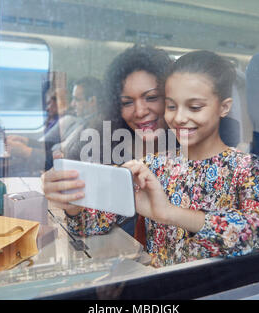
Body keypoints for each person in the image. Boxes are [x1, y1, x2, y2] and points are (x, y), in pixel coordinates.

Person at [47, 50, 259, 268]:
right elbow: (93, 224)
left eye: (195, 107)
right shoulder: (154, 165)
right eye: (170, 106)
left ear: (224, 107)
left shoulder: (245, 167)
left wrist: (169, 213)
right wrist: (74, 205)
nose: (179, 118)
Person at [42, 45, 173, 236]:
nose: (140, 111)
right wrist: (72, 205)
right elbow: (92, 223)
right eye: (127, 102)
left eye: (151, 97)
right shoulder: (104, 148)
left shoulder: (190, 154)